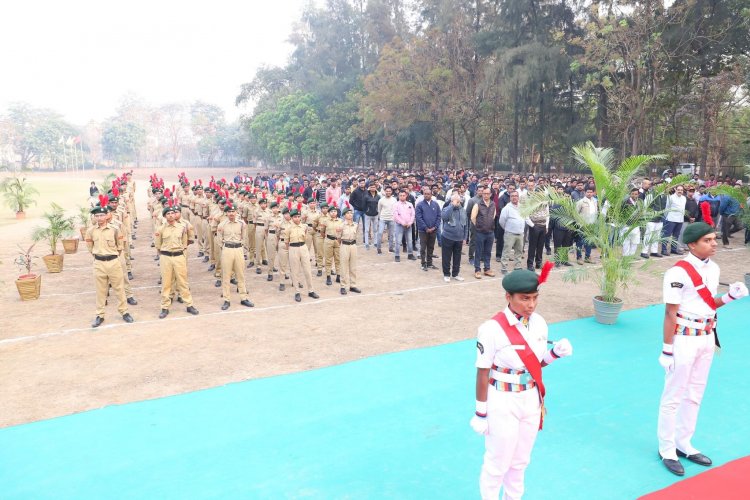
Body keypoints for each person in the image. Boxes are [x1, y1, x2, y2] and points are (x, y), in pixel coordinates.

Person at [656, 204, 749, 476]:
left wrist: (730, 296)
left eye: (714, 239)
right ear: (692, 244)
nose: (714, 244)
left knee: (695, 393)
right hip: (683, 338)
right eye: (707, 241)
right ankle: (667, 448)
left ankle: (685, 442)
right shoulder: (677, 273)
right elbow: (670, 312)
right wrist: (667, 348)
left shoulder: (714, 268)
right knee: (673, 396)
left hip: (707, 337)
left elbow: (709, 304)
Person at [470, 264, 573, 500]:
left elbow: (535, 366)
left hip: (531, 399)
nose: (531, 305)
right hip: (502, 401)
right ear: (508, 297)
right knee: (497, 464)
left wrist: (555, 354)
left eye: (535, 298)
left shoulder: (540, 323)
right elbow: (483, 372)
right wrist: (480, 412)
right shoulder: (491, 329)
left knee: (519, 463)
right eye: (524, 298)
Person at [85, 199, 134, 327]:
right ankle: (99, 315)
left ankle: (124, 312)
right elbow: (90, 247)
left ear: (107, 215)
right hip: (99, 263)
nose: (99, 217)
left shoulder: (115, 229)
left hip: (113, 261)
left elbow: (120, 245)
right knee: (100, 291)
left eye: (102, 215)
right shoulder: (90, 231)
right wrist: (98, 255)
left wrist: (113, 255)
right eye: (97, 215)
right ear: (94, 217)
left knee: (119, 288)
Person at [155, 205, 199, 319]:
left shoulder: (182, 227)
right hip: (166, 257)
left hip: (179, 256)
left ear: (175, 215)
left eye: (172, 213)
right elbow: (158, 245)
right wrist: (165, 254)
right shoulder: (160, 229)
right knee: (166, 283)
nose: (170, 215)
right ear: (165, 216)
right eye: (168, 214)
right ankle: (165, 307)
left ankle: (189, 305)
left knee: (183, 282)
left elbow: (185, 242)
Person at [217, 203, 253, 310]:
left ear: (236, 212)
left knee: (240, 274)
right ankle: (226, 299)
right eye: (229, 212)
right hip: (227, 249)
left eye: (233, 211)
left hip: (238, 249)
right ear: (226, 213)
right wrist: (225, 247)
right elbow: (219, 240)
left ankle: (243, 298)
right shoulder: (221, 225)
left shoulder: (242, 224)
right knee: (226, 276)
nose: (231, 213)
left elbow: (244, 237)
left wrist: (240, 245)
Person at [287, 206, 320, 302]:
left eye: (298, 216)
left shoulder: (304, 226)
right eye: (294, 217)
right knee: (295, 271)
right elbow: (286, 241)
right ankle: (297, 291)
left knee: (307, 270)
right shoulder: (288, 228)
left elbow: (305, 235)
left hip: (303, 247)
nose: (297, 218)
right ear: (292, 218)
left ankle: (311, 290)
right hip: (293, 248)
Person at [471, 187, 497, 279]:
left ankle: (487, 269)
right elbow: (473, 218)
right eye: (484, 193)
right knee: (478, 251)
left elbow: (493, 216)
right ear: (482, 194)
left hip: (490, 232)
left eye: (487, 193)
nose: (486, 195)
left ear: (490, 194)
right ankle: (477, 270)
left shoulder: (493, 204)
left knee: (488, 252)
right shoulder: (477, 204)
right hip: (480, 232)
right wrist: (480, 226)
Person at [441, 193, 467, 282]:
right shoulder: (446, 208)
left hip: (459, 238)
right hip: (447, 237)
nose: (456, 202)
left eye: (458, 201)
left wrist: (465, 237)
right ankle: (446, 274)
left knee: (457, 257)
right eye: (453, 201)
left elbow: (465, 225)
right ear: (451, 201)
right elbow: (444, 217)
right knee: (446, 257)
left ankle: (455, 274)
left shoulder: (463, 210)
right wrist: (452, 206)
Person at [498, 192, 525, 275]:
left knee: (519, 251)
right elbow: (502, 221)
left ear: (518, 197)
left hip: (520, 233)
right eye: (512, 196)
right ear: (510, 197)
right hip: (510, 234)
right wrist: (508, 229)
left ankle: (518, 266)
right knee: (507, 251)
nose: (514, 197)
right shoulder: (506, 208)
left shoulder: (522, 207)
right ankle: (504, 267)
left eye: (516, 196)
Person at [416, 186, 440, 271]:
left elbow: (438, 216)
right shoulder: (419, 205)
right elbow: (419, 218)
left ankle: (429, 263)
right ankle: (423, 263)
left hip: (433, 230)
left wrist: (435, 227)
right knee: (423, 248)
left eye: (428, 194)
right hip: (423, 230)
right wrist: (426, 228)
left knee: (431, 247)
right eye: (425, 194)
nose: (426, 195)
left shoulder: (435, 204)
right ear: (423, 194)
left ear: (431, 195)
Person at [338, 205, 361, 294]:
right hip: (345, 245)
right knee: (344, 267)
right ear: (344, 215)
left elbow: (356, 235)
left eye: (351, 213)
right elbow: (338, 238)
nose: (350, 214)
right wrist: (343, 244)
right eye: (348, 213)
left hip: (353, 245)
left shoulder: (356, 224)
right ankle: (343, 286)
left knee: (353, 267)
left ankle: (353, 285)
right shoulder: (341, 225)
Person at [661, 185, 686, 256]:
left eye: (681, 190)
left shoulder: (684, 198)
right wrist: (666, 218)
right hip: (671, 219)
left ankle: (673, 249)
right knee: (667, 235)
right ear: (675, 189)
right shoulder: (671, 197)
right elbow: (667, 208)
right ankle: (664, 250)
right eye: (678, 189)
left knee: (676, 236)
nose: (680, 191)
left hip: (680, 219)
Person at [575, 187, 598, 264]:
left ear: (593, 193)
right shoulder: (581, 202)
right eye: (588, 192)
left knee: (589, 242)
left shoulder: (595, 202)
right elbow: (576, 214)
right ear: (585, 192)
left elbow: (596, 213)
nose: (589, 193)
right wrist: (579, 224)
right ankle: (579, 257)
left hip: (591, 225)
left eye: (591, 192)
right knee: (579, 242)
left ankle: (587, 257)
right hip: (582, 225)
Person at [392, 190, 416, 262]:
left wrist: (410, 222)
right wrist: (403, 223)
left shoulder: (410, 204)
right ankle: (397, 255)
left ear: (406, 196)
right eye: (400, 195)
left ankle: (410, 254)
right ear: (398, 196)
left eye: (403, 195)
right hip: (399, 225)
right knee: (398, 241)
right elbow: (395, 216)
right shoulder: (396, 205)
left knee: (409, 240)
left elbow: (413, 214)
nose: (402, 197)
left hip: (409, 225)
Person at [376, 186, 397, 254]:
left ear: (391, 192)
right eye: (387, 191)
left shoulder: (394, 200)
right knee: (380, 233)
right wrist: (380, 217)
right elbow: (379, 210)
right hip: (383, 218)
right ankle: (379, 248)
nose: (388, 192)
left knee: (391, 234)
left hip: (391, 219)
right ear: (385, 192)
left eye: (389, 191)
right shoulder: (381, 200)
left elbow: (395, 209)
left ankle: (391, 248)